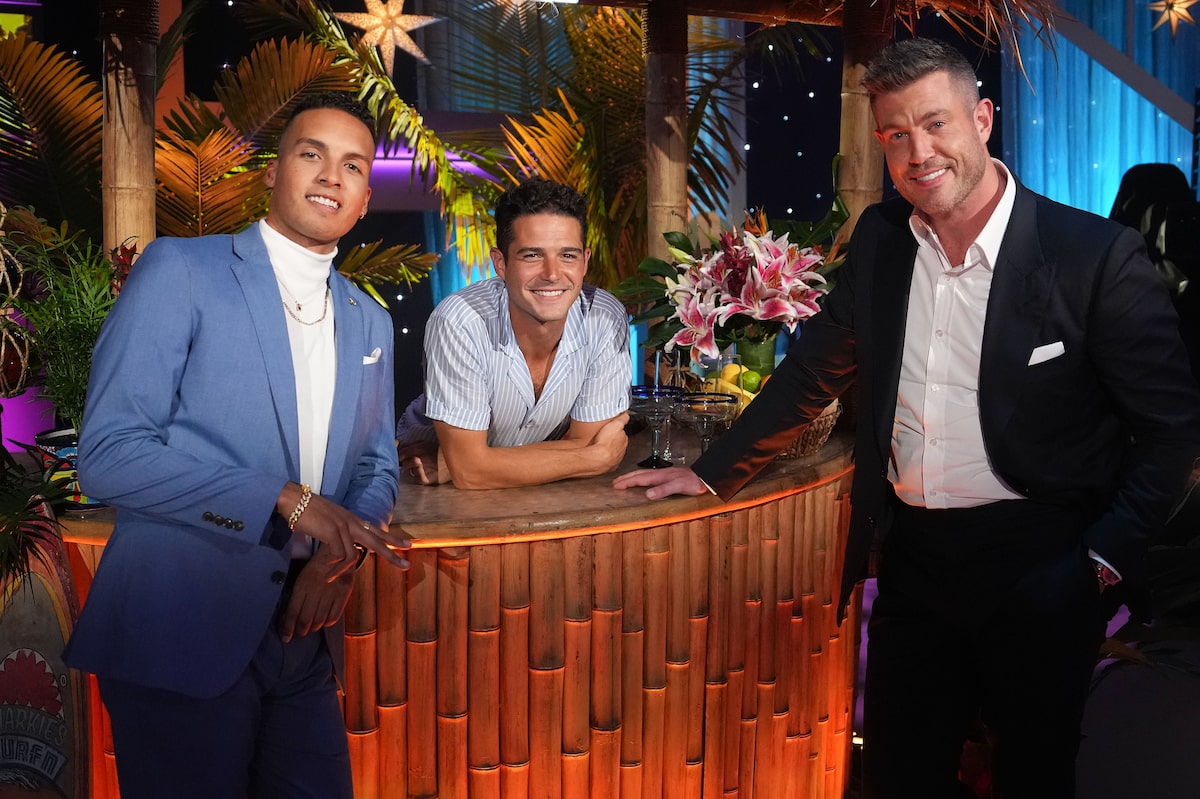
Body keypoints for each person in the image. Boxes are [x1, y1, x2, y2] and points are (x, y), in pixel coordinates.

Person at [614, 38, 1200, 798]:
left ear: (982, 120)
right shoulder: (882, 239)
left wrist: (1100, 560)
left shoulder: (1093, 253)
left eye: (935, 123)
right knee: (898, 773)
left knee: (1033, 776)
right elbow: (812, 373)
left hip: (1044, 559)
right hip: (916, 563)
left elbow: (1172, 429)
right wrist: (710, 471)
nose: (918, 152)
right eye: (895, 134)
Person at [64, 92, 410, 799]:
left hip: (303, 636)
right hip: (180, 623)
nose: (332, 175)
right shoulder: (181, 270)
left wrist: (339, 555)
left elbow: (378, 465)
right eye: (312, 153)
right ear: (272, 172)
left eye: (353, 165)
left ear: (365, 200)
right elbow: (108, 454)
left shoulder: (369, 321)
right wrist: (285, 501)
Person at [396, 176, 630, 489]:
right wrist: (595, 459)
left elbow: (586, 442)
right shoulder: (461, 321)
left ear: (585, 262)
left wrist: (468, 462)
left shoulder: (605, 317)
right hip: (416, 485)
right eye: (532, 255)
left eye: (568, 255)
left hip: (531, 495)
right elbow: (471, 474)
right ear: (501, 263)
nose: (552, 274)